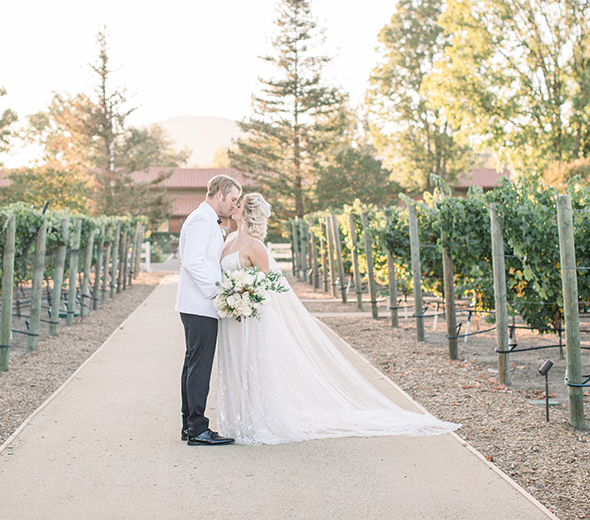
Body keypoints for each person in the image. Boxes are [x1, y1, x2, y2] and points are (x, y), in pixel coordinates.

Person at [215, 193, 460, 445]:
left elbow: (265, 286)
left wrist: (244, 295)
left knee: (250, 366)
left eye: (239, 203)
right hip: (232, 315)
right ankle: (236, 421)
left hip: (251, 318)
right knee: (234, 364)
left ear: (247, 213)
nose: (234, 205)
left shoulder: (255, 246)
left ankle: (255, 422)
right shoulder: (230, 238)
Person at [175, 174, 241, 446]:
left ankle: (190, 425)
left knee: (193, 365)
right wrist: (217, 292)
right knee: (199, 367)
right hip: (200, 304)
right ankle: (198, 429)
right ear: (218, 193)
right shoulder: (202, 220)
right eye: (233, 199)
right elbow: (192, 263)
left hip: (195, 305)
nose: (233, 205)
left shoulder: (203, 219)